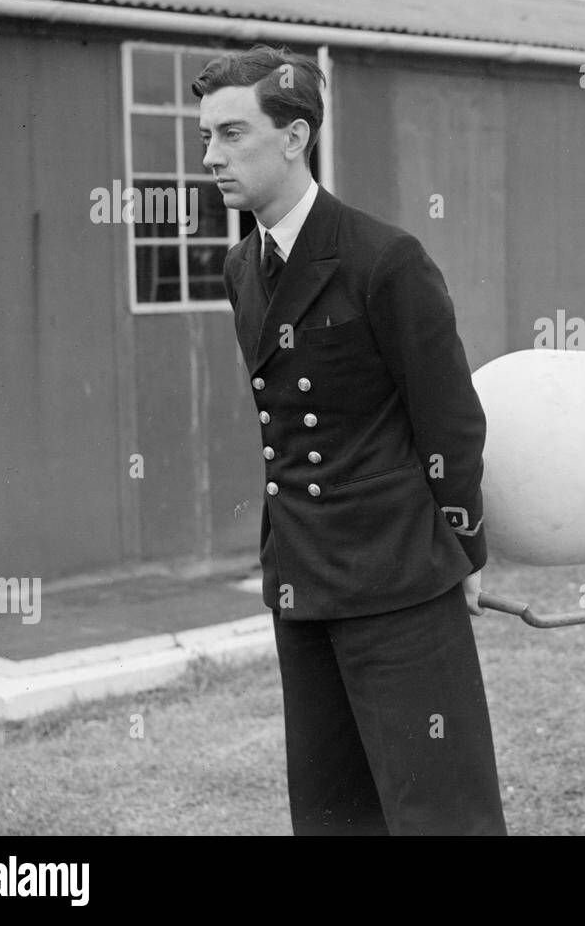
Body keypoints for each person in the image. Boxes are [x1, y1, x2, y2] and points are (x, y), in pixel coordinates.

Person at [195, 45, 506, 835]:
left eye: (233, 134)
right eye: (206, 138)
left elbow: (451, 420)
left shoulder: (383, 259)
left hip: (398, 578)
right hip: (302, 578)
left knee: (441, 810)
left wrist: (462, 551)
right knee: (333, 811)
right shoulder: (243, 267)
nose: (211, 158)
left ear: (294, 138)